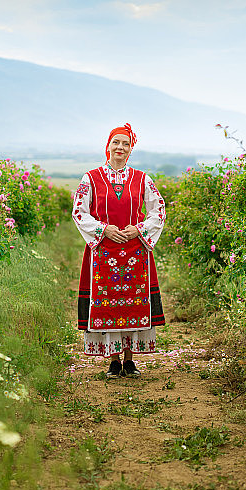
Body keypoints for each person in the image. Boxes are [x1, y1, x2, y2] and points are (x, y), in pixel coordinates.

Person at [72, 123, 166, 378]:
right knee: (109, 305)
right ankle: (113, 360)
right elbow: (79, 212)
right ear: (108, 146)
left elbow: (158, 211)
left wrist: (139, 229)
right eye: (116, 142)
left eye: (126, 144)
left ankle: (129, 359)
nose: (120, 148)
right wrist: (103, 229)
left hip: (135, 251)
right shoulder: (90, 179)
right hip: (103, 252)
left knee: (132, 304)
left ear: (130, 149)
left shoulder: (143, 179)